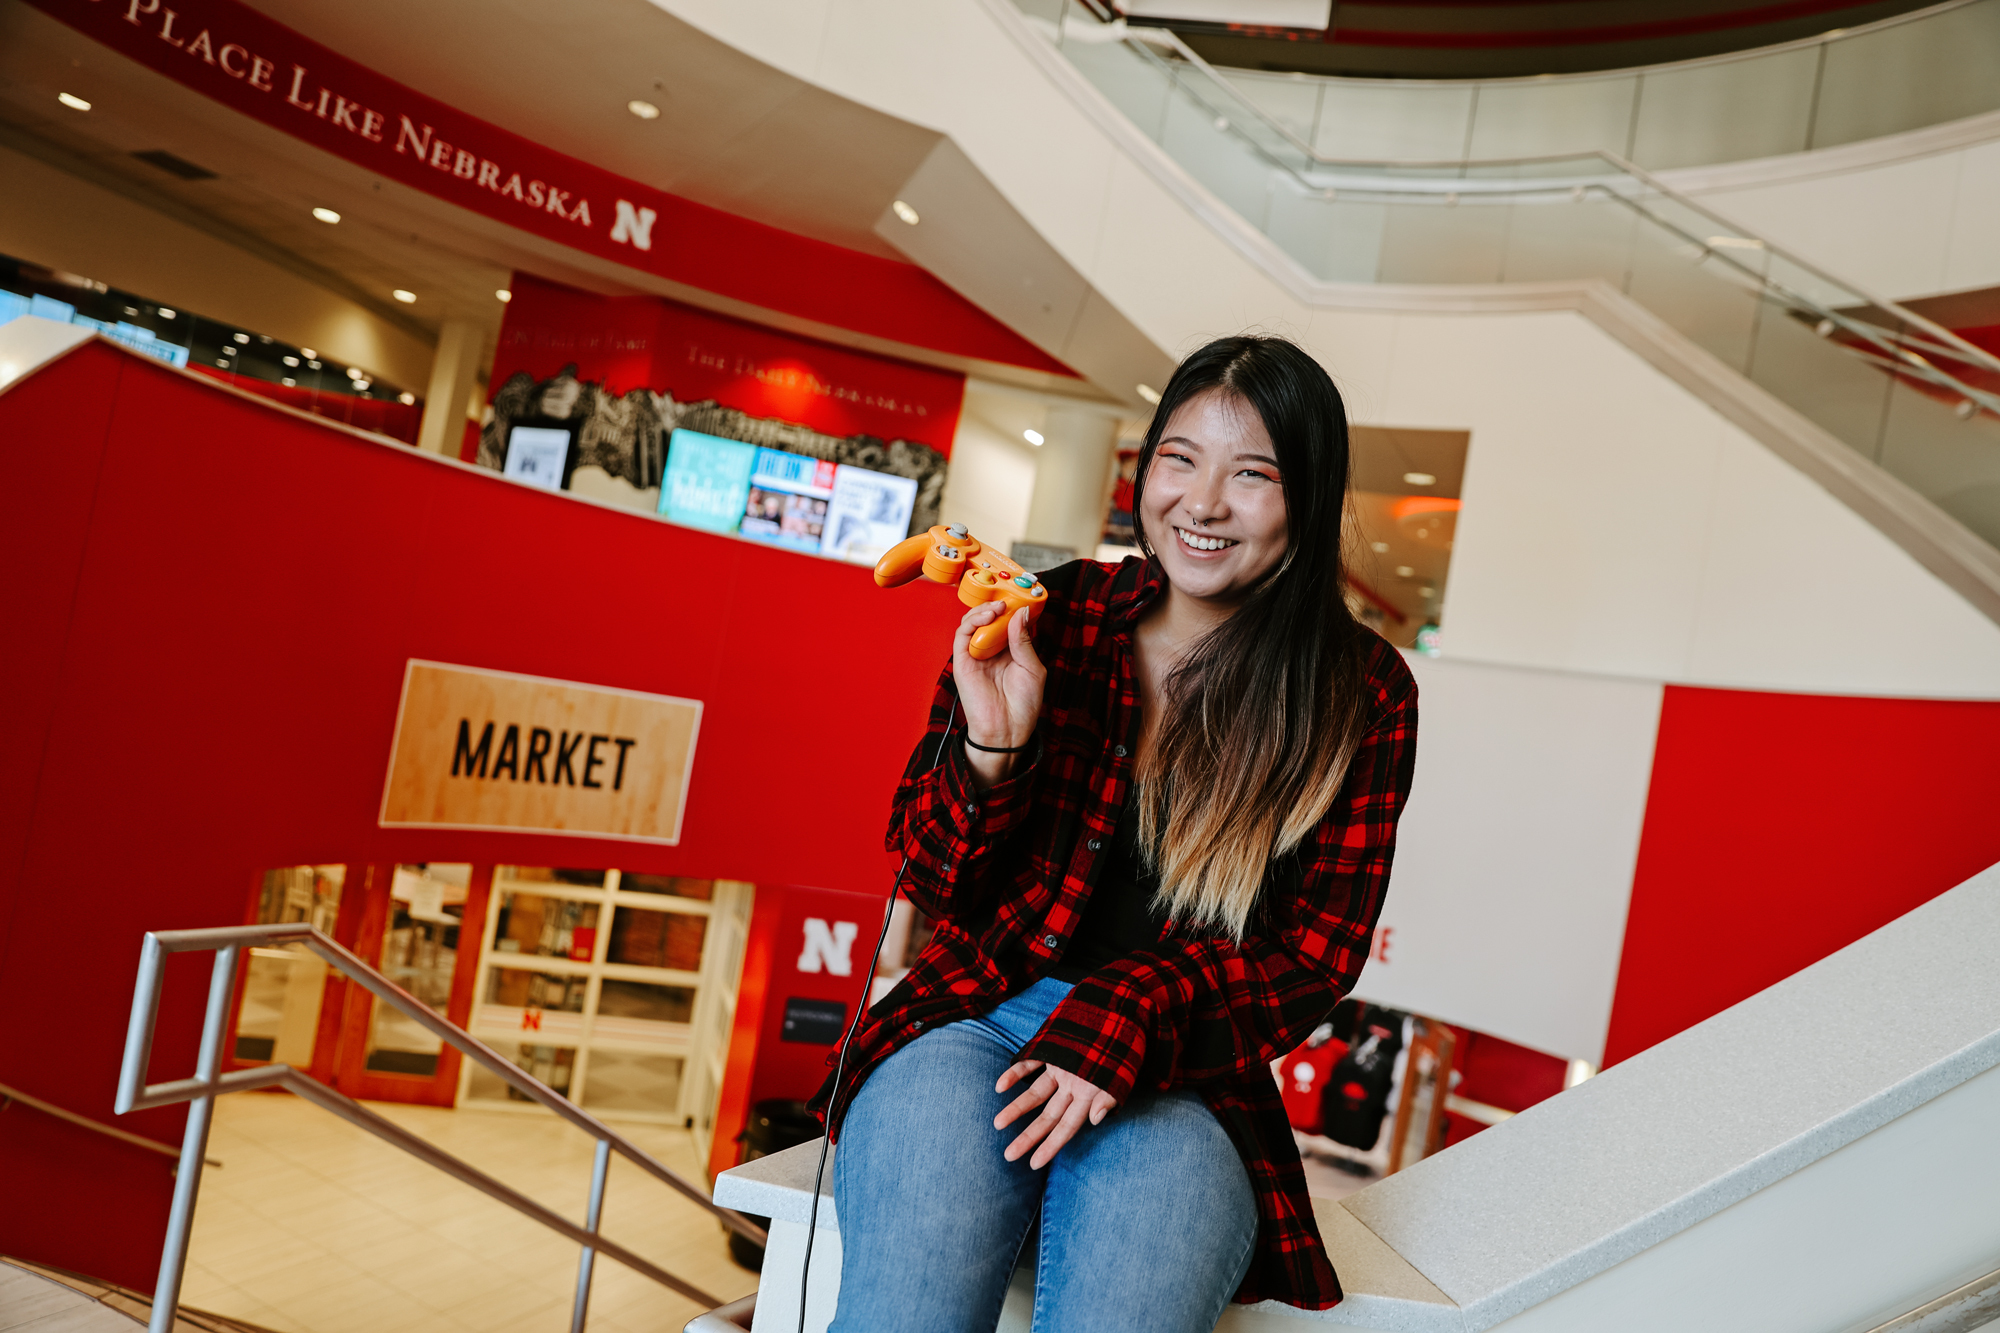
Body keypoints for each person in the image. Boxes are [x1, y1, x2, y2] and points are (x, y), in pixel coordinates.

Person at [816, 335, 1420, 1332]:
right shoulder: (1050, 616)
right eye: (1178, 459)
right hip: (973, 1018)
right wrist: (990, 746)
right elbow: (929, 871)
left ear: (1305, 501)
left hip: (1182, 1077)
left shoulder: (1356, 693)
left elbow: (1312, 958)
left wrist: (1130, 1008)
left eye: (1252, 474)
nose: (1202, 502)